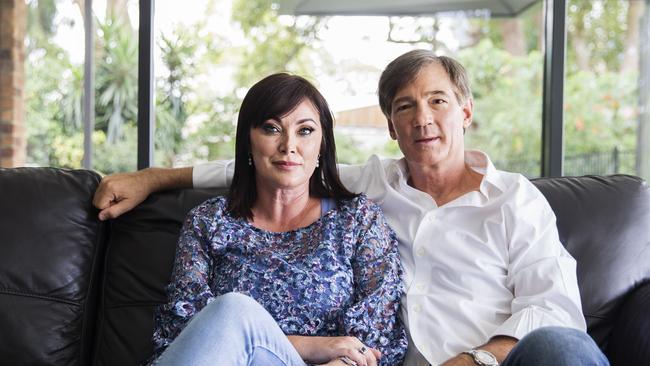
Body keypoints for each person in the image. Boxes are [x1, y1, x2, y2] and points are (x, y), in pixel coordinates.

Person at [94, 50, 609, 366]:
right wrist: (155, 176)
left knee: (561, 348)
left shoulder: (513, 200)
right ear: (390, 126)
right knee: (232, 313)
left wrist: (477, 359)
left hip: (495, 360)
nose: (422, 117)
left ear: (465, 111)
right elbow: (269, 167)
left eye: (437, 100)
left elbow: (555, 309)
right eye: (404, 106)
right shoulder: (374, 184)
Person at [145, 73, 407, 366]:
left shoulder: (358, 221)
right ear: (248, 141)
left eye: (305, 131)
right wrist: (310, 346)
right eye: (271, 129)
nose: (288, 145)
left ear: (322, 145)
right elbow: (185, 330)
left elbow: (375, 342)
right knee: (231, 311)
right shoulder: (209, 221)